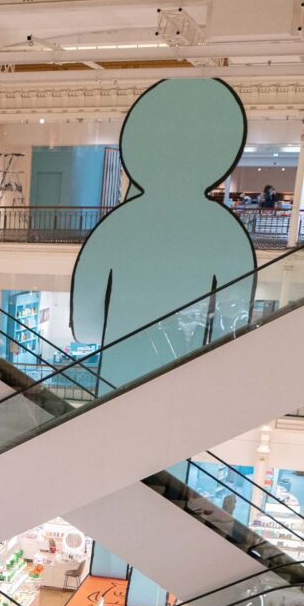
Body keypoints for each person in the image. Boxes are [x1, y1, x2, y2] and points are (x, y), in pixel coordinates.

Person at [67, 77, 259, 388]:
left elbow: (86, 328)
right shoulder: (227, 235)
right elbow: (231, 333)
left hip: (116, 384)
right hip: (186, 385)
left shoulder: (117, 227)